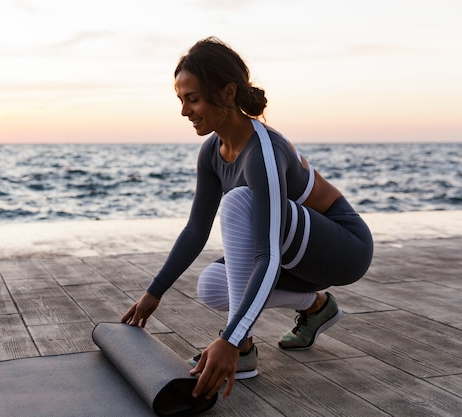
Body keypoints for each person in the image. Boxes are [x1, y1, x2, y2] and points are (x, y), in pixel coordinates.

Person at [121, 37, 373, 401]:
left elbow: (267, 254)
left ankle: (244, 351)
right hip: (296, 255)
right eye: (181, 100)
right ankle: (315, 306)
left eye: (192, 99)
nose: (184, 111)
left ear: (226, 92)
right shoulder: (212, 152)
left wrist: (231, 338)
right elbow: (195, 230)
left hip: (344, 247)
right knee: (211, 284)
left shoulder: (263, 151)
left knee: (240, 201)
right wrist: (153, 292)